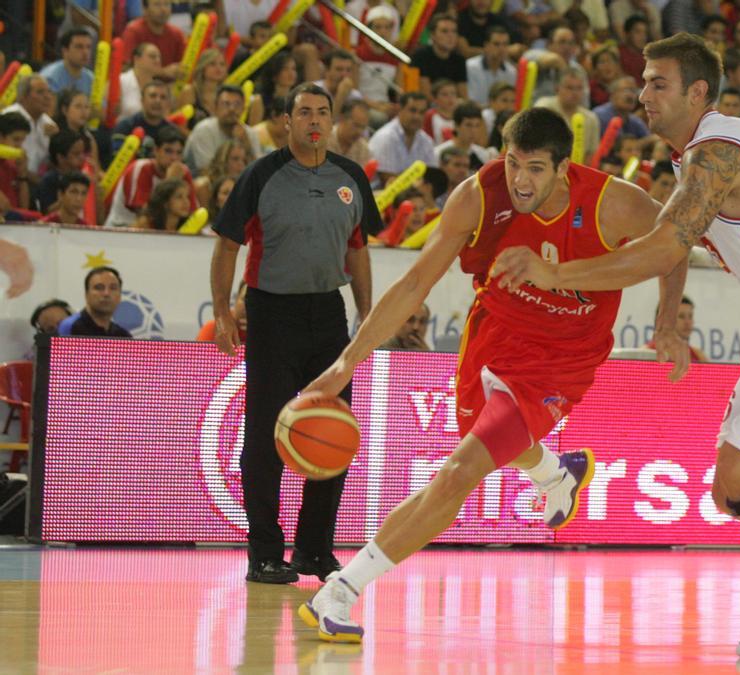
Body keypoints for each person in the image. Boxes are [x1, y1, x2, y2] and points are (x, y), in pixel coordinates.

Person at [493, 33, 740, 660]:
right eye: (643, 81)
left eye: (658, 83)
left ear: (698, 92)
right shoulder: (694, 160)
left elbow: (661, 246)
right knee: (728, 490)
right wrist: (668, 323)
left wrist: (555, 274)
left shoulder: (719, 154)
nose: (642, 94)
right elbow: (668, 237)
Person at [297, 106, 677, 642]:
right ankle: (555, 474)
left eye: (537, 169)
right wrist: (345, 363)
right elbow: (413, 285)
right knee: (486, 443)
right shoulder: (477, 196)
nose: (521, 180)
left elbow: (674, 243)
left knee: (460, 470)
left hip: (558, 363)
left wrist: (668, 321)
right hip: (492, 337)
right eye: (514, 162)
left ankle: (343, 587)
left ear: (564, 168)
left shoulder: (612, 202)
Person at [209, 83, 382, 585]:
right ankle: (264, 552)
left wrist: (366, 312)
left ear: (332, 121)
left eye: (322, 112)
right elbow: (226, 247)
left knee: (333, 431)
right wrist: (223, 311)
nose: (313, 120)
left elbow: (357, 248)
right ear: (285, 120)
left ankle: (314, 550)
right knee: (264, 436)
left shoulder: (350, 176)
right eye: (303, 111)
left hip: (328, 314)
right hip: (270, 314)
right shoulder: (261, 174)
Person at [58, 266, 132, 338]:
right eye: (99, 288)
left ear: (120, 296)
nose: (106, 293)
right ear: (86, 294)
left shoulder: (123, 335)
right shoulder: (70, 327)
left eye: (113, 288)